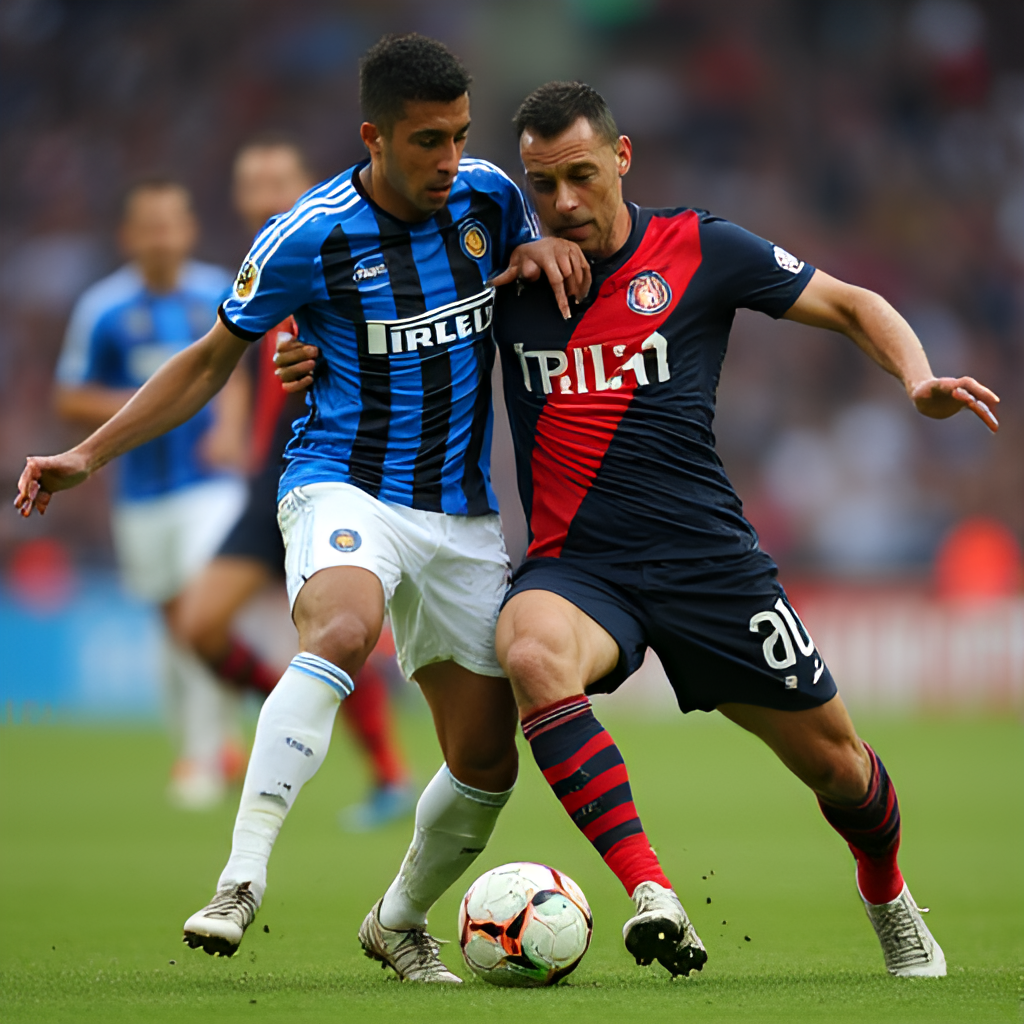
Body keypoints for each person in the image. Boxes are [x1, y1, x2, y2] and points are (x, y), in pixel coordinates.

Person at [16, 34, 588, 982]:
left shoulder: (491, 195)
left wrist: (540, 244)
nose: (448, 160)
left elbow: (544, 259)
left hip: (464, 512)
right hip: (341, 479)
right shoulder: (307, 234)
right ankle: (240, 878)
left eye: (457, 137)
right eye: (425, 143)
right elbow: (208, 360)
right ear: (373, 137)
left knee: (488, 761)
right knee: (343, 628)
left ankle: (399, 921)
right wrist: (88, 452)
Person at [487, 82, 999, 979]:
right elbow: (388, 319)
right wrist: (302, 354)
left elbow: (849, 303)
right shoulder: (505, 269)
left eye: (579, 176)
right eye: (541, 185)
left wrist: (917, 378)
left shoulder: (700, 247)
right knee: (529, 652)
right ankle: (653, 893)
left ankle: (886, 892)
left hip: (709, 564)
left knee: (841, 770)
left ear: (622, 158)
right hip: (580, 567)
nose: (563, 202)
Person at [171, 136, 416, 830]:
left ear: (308, 186)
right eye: (254, 183)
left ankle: (391, 776)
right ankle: (298, 704)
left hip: (328, 475)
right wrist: (233, 428)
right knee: (202, 626)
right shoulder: (256, 279)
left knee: (336, 629)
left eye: (281, 180)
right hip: (266, 481)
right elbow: (230, 361)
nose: (268, 194)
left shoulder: (335, 263)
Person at [54, 179, 248, 809]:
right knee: (174, 629)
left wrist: (230, 426)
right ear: (129, 236)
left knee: (198, 616)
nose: (163, 236)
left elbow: (240, 365)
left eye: (173, 224)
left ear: (188, 231)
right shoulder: (103, 309)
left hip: (209, 485)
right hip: (140, 495)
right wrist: (149, 404)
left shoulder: (216, 290)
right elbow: (69, 396)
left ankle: (203, 760)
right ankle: (208, 742)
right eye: (150, 226)